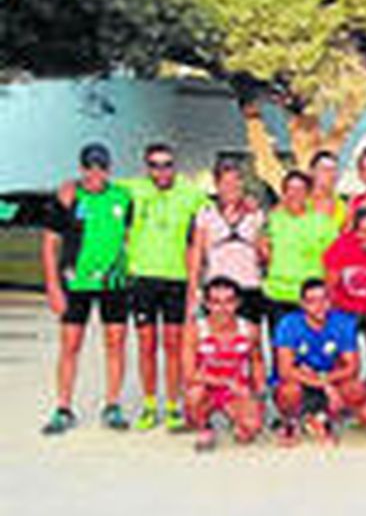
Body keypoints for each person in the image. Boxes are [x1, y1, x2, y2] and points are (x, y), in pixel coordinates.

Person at [94, 143, 210, 431]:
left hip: (176, 280)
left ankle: (172, 405)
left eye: (167, 164)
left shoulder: (191, 193)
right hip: (142, 279)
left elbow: (216, 210)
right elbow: (94, 183)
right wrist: (68, 189)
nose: (162, 170)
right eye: (155, 165)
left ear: (175, 165)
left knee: (173, 346)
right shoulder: (133, 188)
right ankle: (149, 405)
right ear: (147, 168)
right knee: (147, 346)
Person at [40, 144, 133, 435]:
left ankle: (113, 405)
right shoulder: (67, 198)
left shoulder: (123, 197)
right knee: (70, 346)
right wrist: (53, 286)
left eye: (101, 167)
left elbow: (129, 237)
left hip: (114, 283)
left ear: (109, 169)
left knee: (115, 345)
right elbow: (49, 244)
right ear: (81, 169)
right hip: (75, 283)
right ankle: (64, 408)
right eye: (90, 167)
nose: (96, 173)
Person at [272, 279, 365, 446]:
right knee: (288, 391)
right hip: (302, 382)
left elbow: (352, 367)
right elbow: (285, 370)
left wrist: (327, 381)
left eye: (324, 299)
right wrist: (324, 385)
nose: (319, 306)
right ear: (302, 304)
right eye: (312, 301)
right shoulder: (288, 323)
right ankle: (291, 421)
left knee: (356, 389)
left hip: (330, 378)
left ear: (331, 301)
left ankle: (325, 419)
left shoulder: (343, 322)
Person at [181, 277, 266, 452]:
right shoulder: (196, 330)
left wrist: (259, 395)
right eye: (216, 302)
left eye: (229, 302)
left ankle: (235, 419)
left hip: (234, 391)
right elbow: (189, 375)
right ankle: (204, 426)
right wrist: (226, 382)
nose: (222, 309)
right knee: (194, 395)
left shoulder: (249, 329)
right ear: (206, 304)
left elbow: (257, 362)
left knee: (250, 429)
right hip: (206, 390)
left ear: (238, 303)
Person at [187, 157, 267, 329]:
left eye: (236, 181)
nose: (231, 187)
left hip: (249, 285)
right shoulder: (205, 213)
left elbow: (264, 254)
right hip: (217, 290)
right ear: (217, 184)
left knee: (252, 344)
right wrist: (193, 291)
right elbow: (196, 254)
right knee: (217, 341)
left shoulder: (255, 214)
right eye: (226, 182)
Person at [262, 170, 340, 327]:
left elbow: (335, 262)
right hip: (277, 295)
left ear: (308, 194)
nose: (294, 194)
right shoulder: (272, 220)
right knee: (281, 348)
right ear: (283, 193)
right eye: (290, 189)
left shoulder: (323, 223)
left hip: (312, 298)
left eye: (300, 190)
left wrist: (330, 295)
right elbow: (264, 251)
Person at [306, 150, 348, 227]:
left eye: (335, 170)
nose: (332, 175)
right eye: (326, 170)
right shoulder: (298, 201)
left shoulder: (343, 207)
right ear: (311, 172)